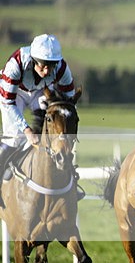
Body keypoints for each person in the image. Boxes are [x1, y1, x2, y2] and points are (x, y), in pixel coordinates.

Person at [0, 34, 77, 206]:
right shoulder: (16, 64)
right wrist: (26, 130)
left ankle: (70, 183)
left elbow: (70, 103)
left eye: (51, 65)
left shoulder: (63, 69)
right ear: (34, 59)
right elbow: (8, 102)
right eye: (43, 65)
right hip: (14, 95)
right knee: (15, 137)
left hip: (40, 93)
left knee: (49, 135)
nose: (47, 70)